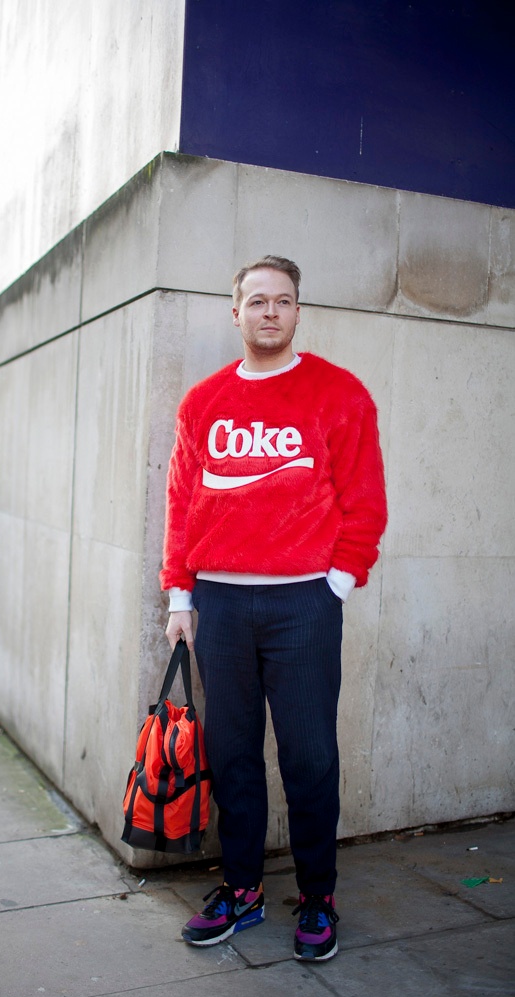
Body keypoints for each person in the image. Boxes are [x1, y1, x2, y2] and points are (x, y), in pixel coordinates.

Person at [161, 256, 387, 961]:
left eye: (281, 301)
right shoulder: (202, 402)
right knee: (230, 754)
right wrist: (180, 595)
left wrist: (338, 583)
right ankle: (242, 888)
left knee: (309, 756)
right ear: (234, 312)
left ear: (295, 312)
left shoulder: (339, 393)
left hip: (302, 606)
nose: (268, 312)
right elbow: (179, 504)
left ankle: (317, 897)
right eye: (255, 301)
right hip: (220, 604)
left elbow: (364, 503)